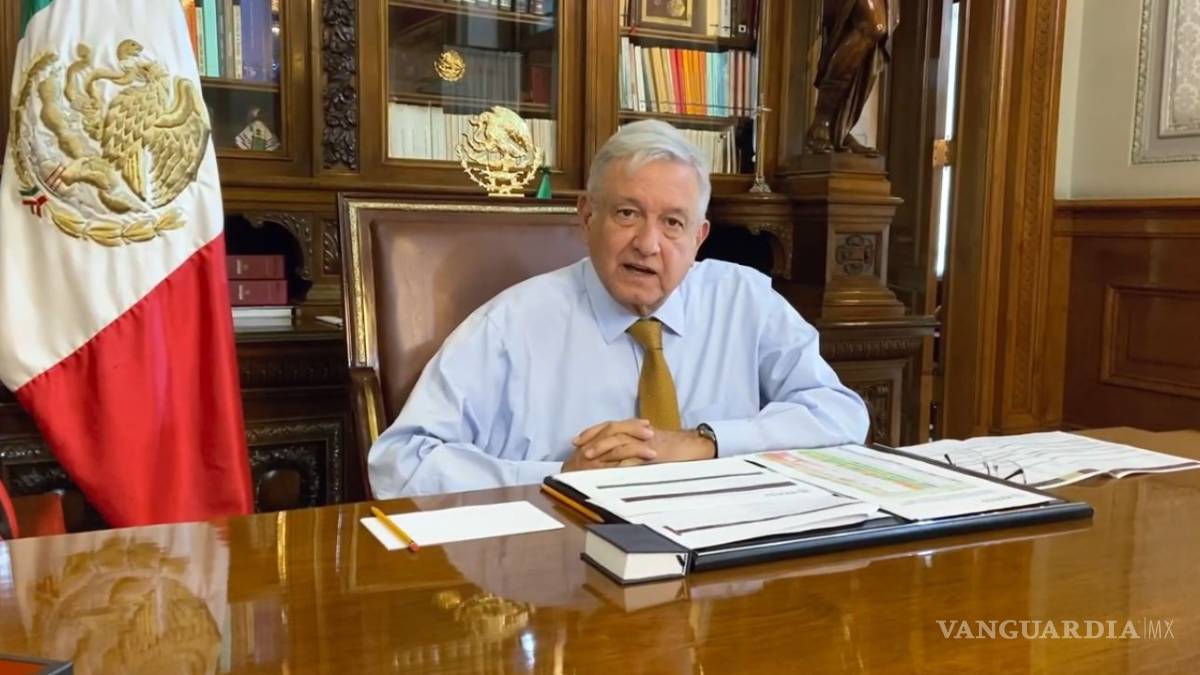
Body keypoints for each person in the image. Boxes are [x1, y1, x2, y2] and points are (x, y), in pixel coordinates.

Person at [369, 120, 869, 497]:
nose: (648, 244)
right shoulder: (511, 325)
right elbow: (399, 464)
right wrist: (559, 478)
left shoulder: (744, 300)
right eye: (628, 213)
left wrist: (705, 442)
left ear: (699, 238)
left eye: (673, 223)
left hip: (718, 570)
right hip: (562, 572)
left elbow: (841, 414)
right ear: (587, 215)